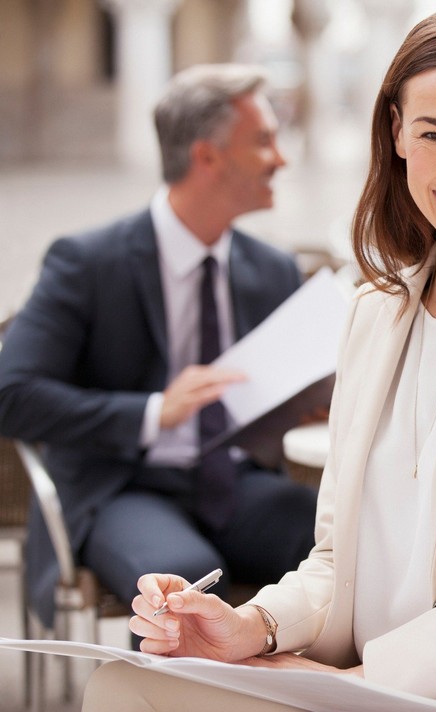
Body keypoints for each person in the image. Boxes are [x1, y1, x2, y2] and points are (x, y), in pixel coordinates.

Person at [82, 3, 436, 711]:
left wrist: (358, 682)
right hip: (357, 686)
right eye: (435, 133)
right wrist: (251, 626)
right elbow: (335, 561)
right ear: (398, 135)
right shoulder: (373, 314)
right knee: (126, 685)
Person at [0, 63, 319, 633]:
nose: (281, 157)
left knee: (351, 547)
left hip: (239, 483)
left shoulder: (272, 269)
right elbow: (11, 393)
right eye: (264, 140)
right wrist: (153, 412)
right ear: (207, 156)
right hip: (123, 488)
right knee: (184, 586)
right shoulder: (86, 262)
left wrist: (314, 400)